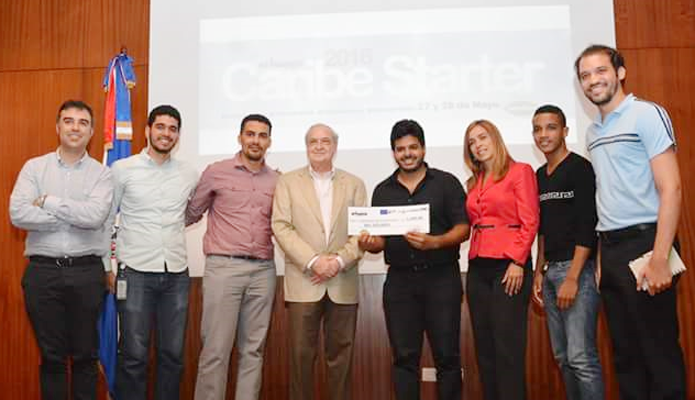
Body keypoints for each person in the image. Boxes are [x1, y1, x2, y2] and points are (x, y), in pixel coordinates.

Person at [576, 44, 685, 400]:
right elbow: (607, 196)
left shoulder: (646, 114)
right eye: (585, 75)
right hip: (611, 250)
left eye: (600, 71)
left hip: (648, 244)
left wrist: (660, 257)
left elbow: (671, 188)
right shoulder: (592, 132)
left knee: (658, 352)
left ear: (620, 73)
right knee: (626, 357)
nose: (593, 80)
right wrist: (601, 260)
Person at [9, 100, 113, 400]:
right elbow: (18, 214)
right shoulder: (34, 167)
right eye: (68, 121)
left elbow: (95, 217)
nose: (75, 128)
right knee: (52, 358)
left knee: (85, 356)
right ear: (57, 127)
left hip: (86, 273)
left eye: (83, 122)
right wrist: (71, 217)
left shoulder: (102, 174)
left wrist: (48, 203)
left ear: (91, 132)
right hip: (43, 274)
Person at [359, 119, 469, 400]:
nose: (407, 154)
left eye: (413, 147)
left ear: (423, 148)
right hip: (400, 282)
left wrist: (435, 242)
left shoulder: (446, 183)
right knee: (404, 359)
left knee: (447, 356)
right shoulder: (382, 191)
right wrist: (370, 244)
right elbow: (380, 242)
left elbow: (463, 228)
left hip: (442, 278)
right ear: (393, 152)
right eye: (400, 149)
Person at [271, 123, 367, 400]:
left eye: (325, 141)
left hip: (343, 280)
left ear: (335, 146)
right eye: (313, 141)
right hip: (304, 282)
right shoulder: (287, 182)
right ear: (306, 147)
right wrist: (314, 261)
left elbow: (362, 231)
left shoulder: (355, 184)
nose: (319, 146)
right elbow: (281, 226)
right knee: (300, 358)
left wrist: (338, 261)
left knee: (341, 359)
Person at [188, 114, 279, 400]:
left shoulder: (278, 180)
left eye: (262, 135)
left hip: (263, 271)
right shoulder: (216, 172)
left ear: (269, 141)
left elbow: (285, 225)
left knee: (253, 351)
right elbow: (191, 213)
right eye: (250, 134)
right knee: (215, 349)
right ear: (240, 138)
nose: (256, 140)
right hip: (223, 268)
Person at [111, 105, 199, 400]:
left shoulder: (189, 173)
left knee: (172, 355)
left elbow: (193, 211)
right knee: (133, 355)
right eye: (160, 127)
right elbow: (107, 218)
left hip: (176, 273)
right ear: (148, 130)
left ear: (178, 135)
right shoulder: (122, 169)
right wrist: (106, 265)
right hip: (134, 273)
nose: (166, 134)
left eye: (173, 129)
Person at [530, 105, 604, 400]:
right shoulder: (539, 175)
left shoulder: (580, 168)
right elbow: (543, 230)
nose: (543, 134)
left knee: (581, 358)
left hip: (577, 272)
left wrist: (573, 277)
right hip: (550, 273)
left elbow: (588, 225)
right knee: (563, 357)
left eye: (550, 127)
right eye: (537, 129)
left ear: (565, 131)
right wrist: (538, 270)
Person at [463, 119, 539, 400]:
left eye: (482, 137)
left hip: (509, 266)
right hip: (477, 267)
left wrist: (518, 262)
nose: (478, 145)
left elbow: (530, 221)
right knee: (485, 349)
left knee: (508, 349)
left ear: (495, 138)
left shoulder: (520, 171)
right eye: (472, 142)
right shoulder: (473, 182)